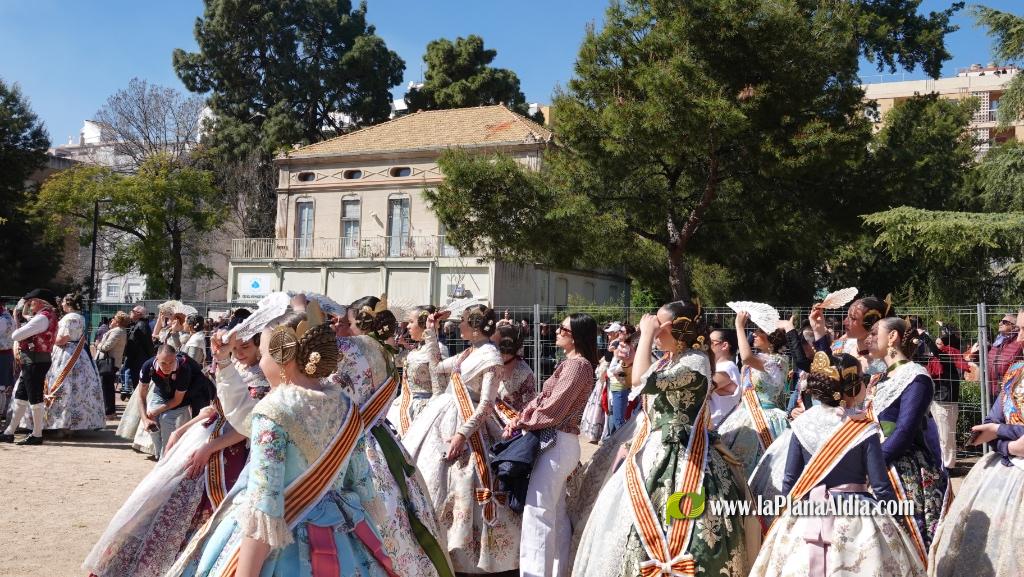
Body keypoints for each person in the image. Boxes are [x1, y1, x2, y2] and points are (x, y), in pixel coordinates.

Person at [163, 307, 396, 577]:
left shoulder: (273, 412)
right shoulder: (346, 405)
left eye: (263, 354)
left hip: (284, 545)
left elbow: (265, 505)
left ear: (282, 356)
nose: (260, 362)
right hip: (343, 534)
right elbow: (362, 482)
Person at [572, 301, 758, 577]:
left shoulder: (695, 361)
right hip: (654, 449)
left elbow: (641, 381)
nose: (655, 329)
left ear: (676, 327)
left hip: (686, 456)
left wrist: (646, 334)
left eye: (660, 325)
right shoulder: (669, 359)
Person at [83, 318, 271, 577]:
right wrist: (182, 431)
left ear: (260, 346)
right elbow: (213, 409)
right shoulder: (236, 367)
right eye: (236, 348)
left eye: (245, 348)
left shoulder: (263, 377)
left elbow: (247, 426)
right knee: (158, 497)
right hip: (206, 435)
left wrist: (210, 447)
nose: (239, 353)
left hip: (230, 450)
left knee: (195, 509)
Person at [748, 352, 926, 577]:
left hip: (808, 513)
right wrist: (898, 521)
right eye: (862, 379)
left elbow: (790, 481)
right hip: (858, 517)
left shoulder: (802, 424)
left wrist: (784, 518)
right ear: (851, 386)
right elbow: (880, 485)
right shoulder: (863, 428)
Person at [334, 295, 454, 577]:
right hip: (382, 439)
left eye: (347, 321)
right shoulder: (385, 352)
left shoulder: (351, 351)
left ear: (360, 323)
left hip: (356, 440)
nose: (340, 326)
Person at [402, 304, 520, 573]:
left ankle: (467, 557)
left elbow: (486, 406)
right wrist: (431, 333)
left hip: (469, 429)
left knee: (464, 485)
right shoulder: (470, 351)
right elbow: (437, 369)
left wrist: (461, 435)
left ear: (476, 327)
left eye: (463, 322)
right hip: (444, 417)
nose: (459, 326)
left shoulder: (490, 356)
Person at [503, 313, 597, 577]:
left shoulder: (577, 367)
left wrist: (522, 421)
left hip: (557, 441)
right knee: (554, 513)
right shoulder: (573, 365)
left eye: (562, 328)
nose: (556, 331)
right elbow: (545, 400)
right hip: (558, 441)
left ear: (575, 334)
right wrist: (524, 417)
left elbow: (554, 408)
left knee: (538, 512)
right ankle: (558, 571)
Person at [929, 350, 1024, 576]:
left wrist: (999, 431)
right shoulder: (1015, 371)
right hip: (1003, 468)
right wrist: (1008, 446)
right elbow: (990, 422)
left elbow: (994, 428)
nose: (1020, 338)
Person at [866, 316, 949, 556]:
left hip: (903, 470)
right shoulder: (881, 378)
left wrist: (870, 463)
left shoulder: (916, 377)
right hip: (876, 463)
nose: (869, 338)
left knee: (905, 547)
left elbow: (904, 431)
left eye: (874, 333)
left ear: (892, 337)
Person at [717, 310, 790, 478]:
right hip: (744, 413)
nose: (754, 334)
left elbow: (746, 357)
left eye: (760, 331)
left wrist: (739, 327)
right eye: (755, 330)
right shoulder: (753, 363)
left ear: (772, 338)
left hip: (765, 418)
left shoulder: (777, 361)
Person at [36, 292, 107, 435]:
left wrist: (47, 338)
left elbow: (63, 339)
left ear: (69, 303)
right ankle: (73, 424)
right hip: (79, 353)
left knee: (65, 387)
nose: (61, 304)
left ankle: (62, 424)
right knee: (78, 388)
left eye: (63, 302)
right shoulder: (80, 317)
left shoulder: (69, 318)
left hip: (67, 353)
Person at [1, 288, 59, 445]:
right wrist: (22, 313)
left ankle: (37, 434)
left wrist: (21, 318)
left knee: (35, 397)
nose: (29, 303)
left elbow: (15, 335)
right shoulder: (45, 316)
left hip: (35, 361)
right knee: (21, 396)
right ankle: (9, 432)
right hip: (33, 361)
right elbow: (26, 320)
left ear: (40, 302)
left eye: (31, 301)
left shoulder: (42, 318)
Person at [386, 305, 449, 436]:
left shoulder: (438, 349)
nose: (407, 326)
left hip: (426, 409)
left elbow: (442, 385)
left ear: (422, 323)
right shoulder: (415, 351)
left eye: (411, 322)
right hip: (406, 406)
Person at [921, 322, 969, 469]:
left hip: (946, 401)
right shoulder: (941, 358)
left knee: (946, 436)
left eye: (941, 339)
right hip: (938, 400)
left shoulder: (949, 356)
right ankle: (943, 462)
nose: (938, 342)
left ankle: (948, 466)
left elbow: (937, 352)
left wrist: (924, 336)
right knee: (940, 435)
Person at [136, 345, 198, 459]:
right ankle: (160, 453)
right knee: (151, 418)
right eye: (163, 363)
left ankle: (166, 456)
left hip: (183, 398)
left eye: (171, 362)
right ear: (156, 358)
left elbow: (177, 400)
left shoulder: (184, 368)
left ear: (175, 358)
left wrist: (157, 411)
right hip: (161, 392)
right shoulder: (148, 366)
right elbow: (141, 396)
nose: (168, 366)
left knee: (165, 419)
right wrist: (145, 419)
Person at [982, 312, 1024, 397]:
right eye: (1000, 321)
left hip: (1006, 390)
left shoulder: (1018, 343)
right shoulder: (998, 342)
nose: (1000, 323)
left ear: (1013, 326)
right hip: (990, 389)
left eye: (1004, 322)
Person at [95, 311, 128, 417]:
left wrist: (98, 344)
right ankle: (110, 411)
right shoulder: (119, 331)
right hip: (111, 363)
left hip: (108, 363)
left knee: (106, 388)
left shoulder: (117, 331)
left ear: (118, 321)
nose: (112, 320)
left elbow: (106, 347)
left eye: (114, 319)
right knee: (108, 387)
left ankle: (109, 412)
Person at [708, 327, 741, 427]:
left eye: (711, 342)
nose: (706, 345)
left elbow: (703, 389)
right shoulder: (717, 367)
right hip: (713, 425)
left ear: (724, 345)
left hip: (718, 427)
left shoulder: (727, 367)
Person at [122, 305, 155, 398]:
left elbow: (148, 344)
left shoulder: (142, 325)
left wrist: (151, 359)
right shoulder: (138, 324)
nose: (130, 312)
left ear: (138, 314)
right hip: (135, 360)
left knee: (138, 386)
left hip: (139, 361)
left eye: (132, 311)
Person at [0, 304, 15, 421]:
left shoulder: (2, 319)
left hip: (2, 355)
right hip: (6, 354)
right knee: (2, 388)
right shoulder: (8, 317)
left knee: (1, 388)